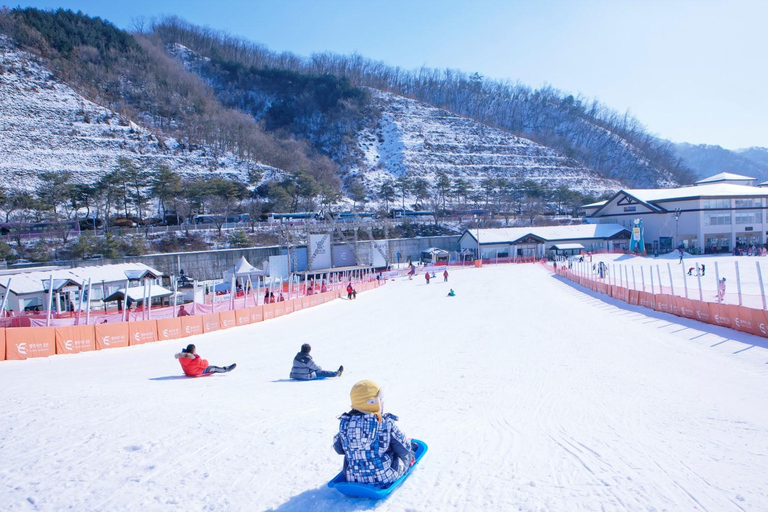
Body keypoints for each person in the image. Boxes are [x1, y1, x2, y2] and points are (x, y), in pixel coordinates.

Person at [333, 380, 415, 487]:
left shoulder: (345, 425)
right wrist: (408, 454)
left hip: (353, 478)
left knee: (352, 455)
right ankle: (410, 460)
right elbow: (403, 448)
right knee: (401, 451)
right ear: (372, 402)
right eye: (380, 399)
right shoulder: (385, 423)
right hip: (385, 478)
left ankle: (358, 473)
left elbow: (338, 448)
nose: (383, 402)